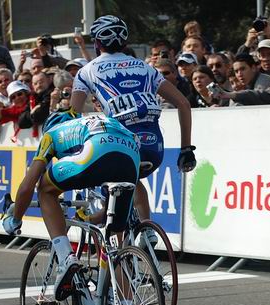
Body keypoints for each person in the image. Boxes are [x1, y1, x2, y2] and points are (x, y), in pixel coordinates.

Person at [71, 15, 196, 234]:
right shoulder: (146, 68)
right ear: (125, 42)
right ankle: (147, 231)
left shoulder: (86, 71)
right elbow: (184, 104)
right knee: (131, 180)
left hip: (119, 146)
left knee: (113, 187)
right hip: (154, 148)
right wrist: (186, 149)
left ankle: (117, 252)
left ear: (97, 43)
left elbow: (72, 114)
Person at [2, 111, 140, 301]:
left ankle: (66, 257)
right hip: (131, 154)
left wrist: (14, 219)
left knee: (44, 189)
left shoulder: (52, 134)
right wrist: (93, 218)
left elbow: (27, 186)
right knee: (114, 247)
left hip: (97, 149)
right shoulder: (90, 121)